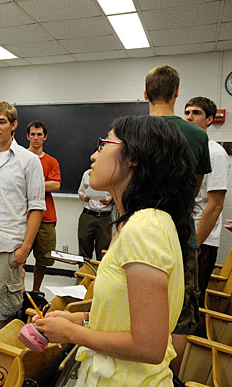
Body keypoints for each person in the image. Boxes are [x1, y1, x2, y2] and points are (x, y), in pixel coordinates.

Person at [34, 115, 196, 386]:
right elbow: (129, 316)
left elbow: (149, 347)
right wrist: (82, 318)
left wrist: (72, 333)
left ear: (132, 156)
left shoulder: (145, 229)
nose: (93, 156)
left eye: (103, 144)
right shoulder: (141, 222)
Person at [144, 64, 211, 375]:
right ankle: (168, 379)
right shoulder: (198, 135)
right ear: (176, 93)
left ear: (145, 94)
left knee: (140, 310)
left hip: (142, 235)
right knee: (182, 317)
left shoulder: (134, 130)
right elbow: (196, 187)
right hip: (182, 235)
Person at [0, 101, 45, 333]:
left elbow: (36, 207)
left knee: (3, 311)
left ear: (13, 125)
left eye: (1, 122)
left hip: (8, 248)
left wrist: (25, 247)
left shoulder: (29, 161)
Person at [184, 96, 230, 303]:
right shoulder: (184, 150)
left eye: (196, 113)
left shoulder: (216, 154)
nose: (189, 117)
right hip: (182, 233)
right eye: (186, 112)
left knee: (192, 297)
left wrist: (195, 244)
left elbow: (215, 205)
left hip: (201, 240)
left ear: (210, 120)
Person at [26, 121, 61, 292]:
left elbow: (55, 185)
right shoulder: (20, 158)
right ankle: (20, 292)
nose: (36, 138)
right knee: (18, 257)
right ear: (27, 136)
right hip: (22, 217)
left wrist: (31, 183)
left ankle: (35, 291)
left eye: (39, 134)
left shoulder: (51, 161)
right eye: (32, 134)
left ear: (45, 137)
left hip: (47, 218)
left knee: (44, 258)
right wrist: (43, 183)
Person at [77, 169, 113, 261]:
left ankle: (100, 274)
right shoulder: (87, 174)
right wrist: (83, 196)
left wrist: (110, 200)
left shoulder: (113, 175)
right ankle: (83, 273)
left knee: (103, 249)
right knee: (84, 247)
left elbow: (120, 195)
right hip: (88, 214)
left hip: (105, 217)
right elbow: (80, 192)